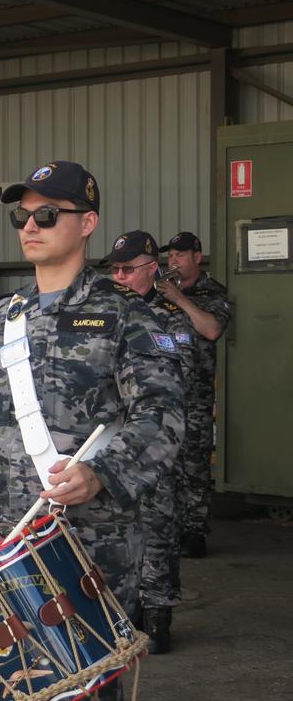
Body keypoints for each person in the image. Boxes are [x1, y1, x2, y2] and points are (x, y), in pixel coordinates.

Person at [0, 161, 185, 643]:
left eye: (48, 214)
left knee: (86, 677)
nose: (30, 226)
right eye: (23, 216)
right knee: (16, 678)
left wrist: (101, 474)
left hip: (92, 543)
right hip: (3, 539)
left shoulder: (126, 315)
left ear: (87, 223)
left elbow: (163, 415)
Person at [103, 230, 201, 654]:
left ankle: (158, 614)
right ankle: (121, 611)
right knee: (115, 528)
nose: (120, 277)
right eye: (115, 269)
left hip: (153, 440)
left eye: (128, 269)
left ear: (152, 269)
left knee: (158, 527)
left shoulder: (169, 316)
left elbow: (178, 374)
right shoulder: (103, 313)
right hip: (110, 441)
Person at [156, 231, 232, 559]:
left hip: (196, 395)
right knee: (163, 462)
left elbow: (212, 329)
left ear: (197, 258)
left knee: (194, 465)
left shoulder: (212, 293)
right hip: (161, 392)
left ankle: (194, 531)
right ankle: (166, 529)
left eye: (181, 254)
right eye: (170, 254)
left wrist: (179, 299)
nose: (174, 260)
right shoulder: (157, 292)